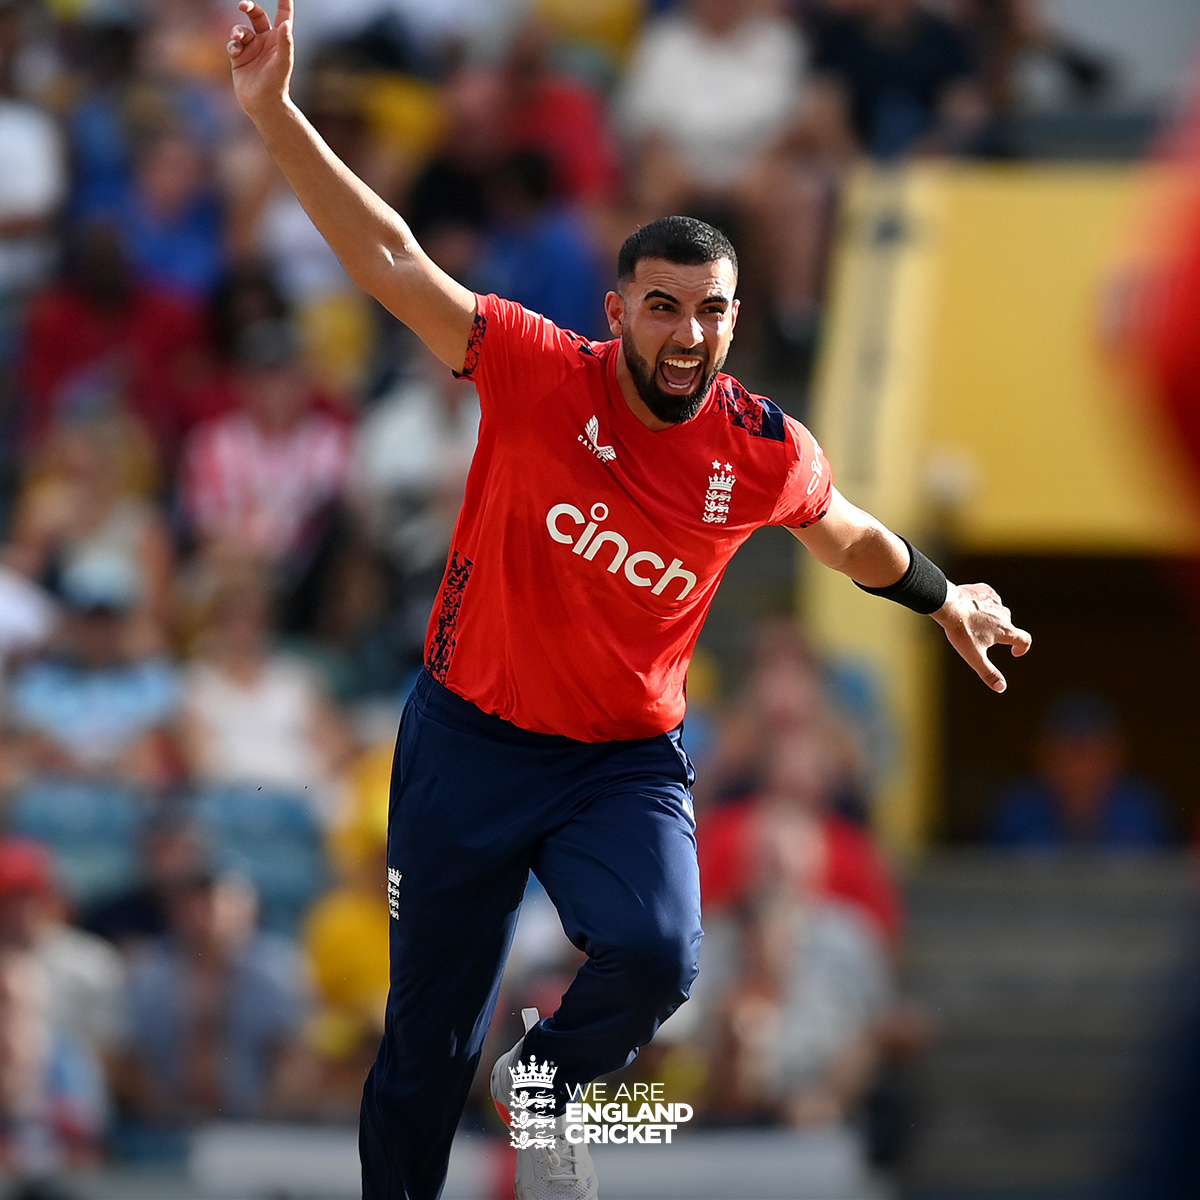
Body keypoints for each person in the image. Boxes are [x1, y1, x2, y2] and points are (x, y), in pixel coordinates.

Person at [225, 5, 1031, 1198]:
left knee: (659, 954)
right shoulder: (537, 370)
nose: (688, 332)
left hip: (620, 759)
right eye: (664, 304)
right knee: (426, 1047)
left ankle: (543, 1081)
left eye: (711, 309)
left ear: (735, 319)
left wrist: (940, 592)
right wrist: (274, 112)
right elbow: (393, 258)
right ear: (618, 311)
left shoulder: (761, 450)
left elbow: (846, 532)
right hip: (468, 737)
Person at [988, 692, 1171, 850]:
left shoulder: (1142, 811)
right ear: (1044, 755)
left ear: (1117, 755)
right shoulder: (1016, 813)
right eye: (1068, 752)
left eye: (1094, 753)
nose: (1080, 769)